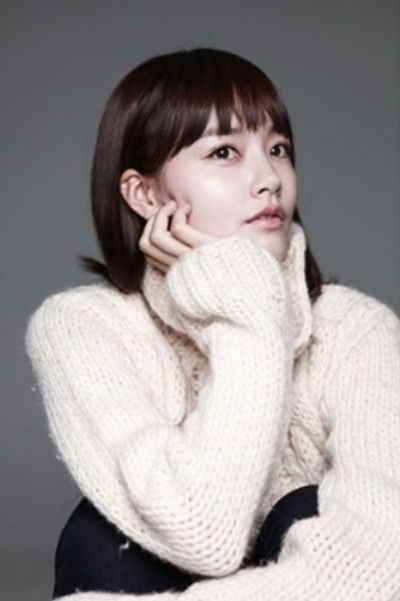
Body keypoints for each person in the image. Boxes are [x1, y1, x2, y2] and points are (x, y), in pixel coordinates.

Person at [24, 47, 400, 601]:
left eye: (278, 149)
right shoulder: (82, 328)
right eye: (225, 151)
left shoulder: (357, 331)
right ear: (144, 194)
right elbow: (206, 535)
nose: (269, 179)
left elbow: (379, 565)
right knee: (101, 541)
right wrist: (246, 315)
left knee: (305, 509)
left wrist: (249, 304)